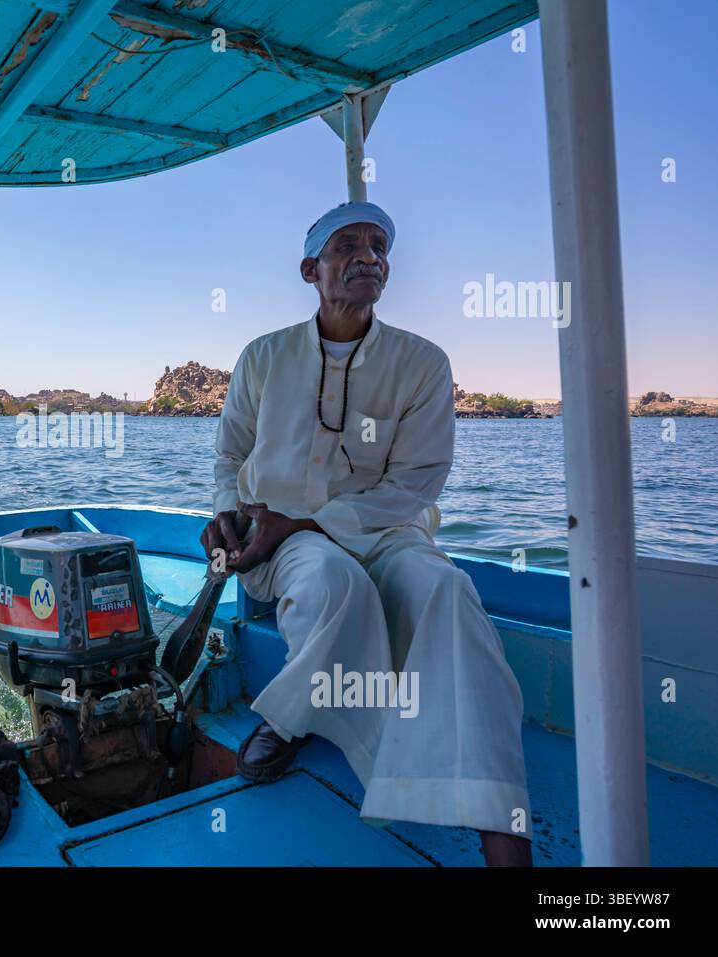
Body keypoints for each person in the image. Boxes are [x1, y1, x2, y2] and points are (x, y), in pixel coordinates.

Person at [201, 201, 532, 866]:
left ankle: (504, 826)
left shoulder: (422, 362)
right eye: (346, 244)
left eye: (378, 245)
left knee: (448, 592)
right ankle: (297, 721)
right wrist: (229, 521)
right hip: (283, 539)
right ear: (309, 269)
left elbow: (417, 481)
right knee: (332, 581)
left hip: (386, 528)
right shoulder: (262, 357)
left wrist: (319, 518)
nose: (367, 255)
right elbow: (229, 458)